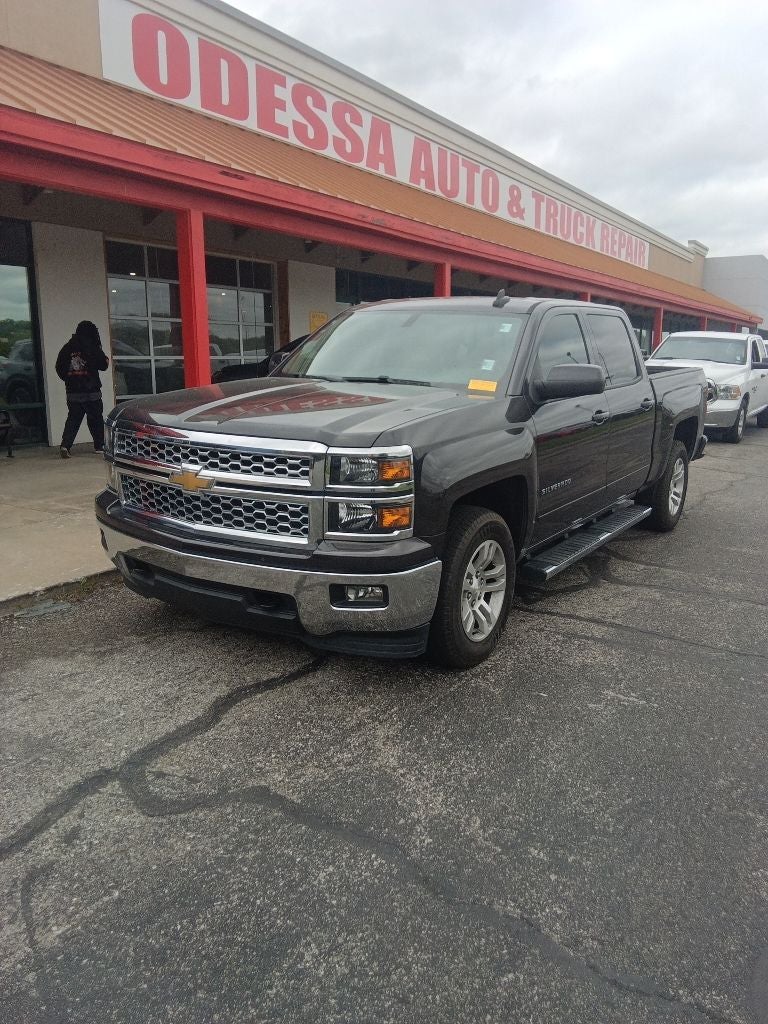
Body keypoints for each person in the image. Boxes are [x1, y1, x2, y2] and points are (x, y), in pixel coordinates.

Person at [55, 320, 110, 458]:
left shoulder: (68, 347)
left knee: (73, 419)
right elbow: (103, 365)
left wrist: (69, 379)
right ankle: (99, 445)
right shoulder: (93, 346)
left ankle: (65, 446)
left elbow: (59, 367)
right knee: (95, 419)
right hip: (92, 391)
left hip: (73, 392)